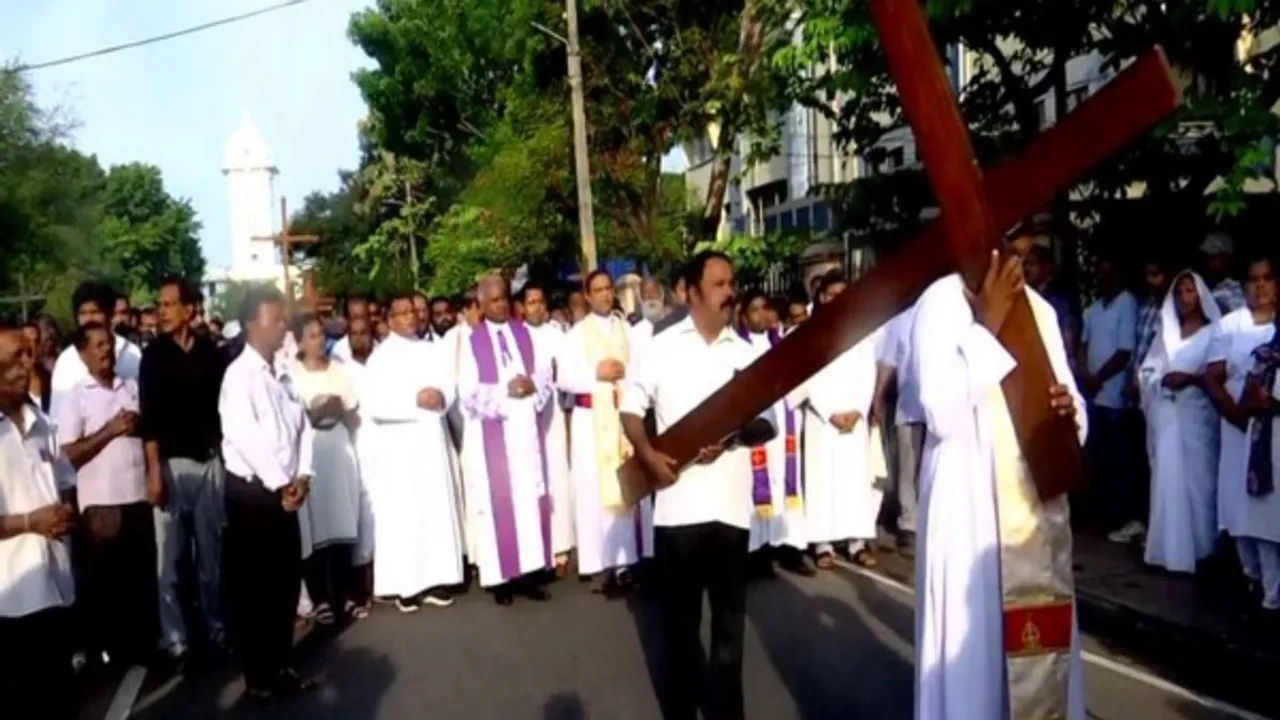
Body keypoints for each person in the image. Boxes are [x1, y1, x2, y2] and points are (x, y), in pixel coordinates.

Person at [911, 249, 1087, 720]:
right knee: (972, 660)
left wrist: (1070, 412)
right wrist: (985, 328)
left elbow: (1072, 402)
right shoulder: (941, 302)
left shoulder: (1040, 311)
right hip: (966, 510)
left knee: (1037, 652)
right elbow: (940, 413)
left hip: (1032, 509)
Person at [620, 251, 776, 720]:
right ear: (689, 291)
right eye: (719, 284)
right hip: (678, 509)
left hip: (729, 509)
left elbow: (765, 421)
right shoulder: (661, 348)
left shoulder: (747, 353)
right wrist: (648, 456)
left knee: (730, 629)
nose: (730, 292)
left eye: (731, 283)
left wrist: (730, 437)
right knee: (679, 629)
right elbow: (630, 409)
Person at [218, 286, 316, 703]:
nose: (283, 328)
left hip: (286, 490)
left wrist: (304, 474)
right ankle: (258, 674)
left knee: (285, 583)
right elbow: (246, 436)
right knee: (258, 588)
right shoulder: (238, 376)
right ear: (252, 324)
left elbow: (304, 425)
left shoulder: (283, 375)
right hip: (255, 494)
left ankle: (280, 663)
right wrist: (281, 482)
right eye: (276, 320)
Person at [54, 322, 157, 668]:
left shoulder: (130, 387)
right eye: (97, 346)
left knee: (139, 579)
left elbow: (148, 436)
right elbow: (67, 453)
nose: (105, 352)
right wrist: (109, 431)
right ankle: (109, 654)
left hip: (137, 496)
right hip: (100, 503)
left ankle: (142, 648)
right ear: (82, 353)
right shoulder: (75, 397)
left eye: (109, 345)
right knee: (106, 583)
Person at [140, 277, 228, 660]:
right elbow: (150, 419)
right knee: (169, 560)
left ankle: (215, 625)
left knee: (210, 556)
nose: (162, 312)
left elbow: (224, 410)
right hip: (170, 466)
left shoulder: (211, 353)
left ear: (190, 309)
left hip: (208, 462)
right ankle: (175, 635)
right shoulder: (154, 355)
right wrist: (154, 472)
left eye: (169, 305)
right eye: (159, 305)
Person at [362, 293, 463, 612]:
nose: (410, 318)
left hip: (431, 442)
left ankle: (436, 578)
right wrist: (414, 401)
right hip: (400, 447)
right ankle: (406, 585)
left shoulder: (431, 350)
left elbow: (450, 385)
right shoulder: (381, 357)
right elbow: (376, 404)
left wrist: (441, 395)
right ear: (389, 319)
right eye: (402, 313)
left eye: (412, 312)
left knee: (433, 510)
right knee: (405, 515)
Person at [458, 275, 555, 606]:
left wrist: (532, 385)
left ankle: (529, 573)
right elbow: (468, 393)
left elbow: (545, 373)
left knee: (528, 503)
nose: (501, 305)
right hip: (495, 437)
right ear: (482, 305)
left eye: (504, 299)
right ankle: (502, 580)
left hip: (525, 433)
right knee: (500, 504)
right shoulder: (473, 342)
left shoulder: (524, 333)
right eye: (494, 300)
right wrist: (505, 391)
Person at [0, 321, 79, 720]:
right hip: (12, 599)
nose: (28, 363)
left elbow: (65, 481)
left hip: (57, 583)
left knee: (60, 698)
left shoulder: (42, 423)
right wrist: (32, 521)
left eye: (30, 353)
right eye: (17, 356)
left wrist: (66, 510)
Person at [559, 270, 652, 593]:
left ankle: (626, 562)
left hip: (622, 416)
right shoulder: (574, 335)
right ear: (586, 295)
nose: (604, 295)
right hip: (590, 421)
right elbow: (565, 379)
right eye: (597, 290)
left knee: (626, 485)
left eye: (608, 289)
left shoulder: (628, 331)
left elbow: (640, 372)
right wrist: (595, 374)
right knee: (594, 492)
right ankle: (600, 561)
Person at [792, 275, 883, 570]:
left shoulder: (860, 330)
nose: (836, 299)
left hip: (853, 419)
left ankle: (856, 542)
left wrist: (857, 409)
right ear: (821, 298)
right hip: (823, 420)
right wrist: (830, 410)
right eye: (831, 295)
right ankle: (823, 543)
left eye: (842, 294)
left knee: (853, 481)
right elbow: (807, 379)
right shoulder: (812, 333)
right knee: (822, 481)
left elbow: (867, 372)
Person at [1205, 256, 1280, 611]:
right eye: (1253, 279)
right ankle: (1251, 576)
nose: (1260, 286)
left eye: (1267, 279)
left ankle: (1270, 588)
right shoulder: (1231, 324)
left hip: (1272, 430)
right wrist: (1236, 413)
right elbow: (1213, 376)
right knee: (1239, 505)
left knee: (1268, 506)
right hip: (1238, 426)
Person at [1137, 271, 1221, 573]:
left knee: (1199, 483)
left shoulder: (1215, 332)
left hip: (1197, 416)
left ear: (1200, 295)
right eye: (1180, 292)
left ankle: (1202, 550)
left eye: (1190, 291)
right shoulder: (1167, 331)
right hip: (1167, 414)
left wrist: (1191, 379)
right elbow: (1147, 369)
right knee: (1166, 481)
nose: (1185, 298)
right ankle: (1167, 551)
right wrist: (1161, 380)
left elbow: (1219, 373)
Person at [291, 314, 364, 623]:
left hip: (338, 449)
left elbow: (354, 413)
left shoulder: (340, 372)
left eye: (321, 335)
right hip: (310, 453)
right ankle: (319, 596)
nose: (318, 341)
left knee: (341, 523)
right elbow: (292, 420)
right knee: (315, 527)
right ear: (299, 341)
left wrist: (342, 411)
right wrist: (316, 411)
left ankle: (344, 594)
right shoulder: (291, 375)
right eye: (311, 336)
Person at [735, 290, 812, 577]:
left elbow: (801, 379)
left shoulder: (781, 344)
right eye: (754, 310)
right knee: (759, 487)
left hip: (785, 421)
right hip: (758, 428)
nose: (761, 315)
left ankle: (790, 547)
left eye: (765, 308)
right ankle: (759, 553)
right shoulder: (738, 348)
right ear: (743, 315)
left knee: (787, 484)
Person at [1079, 256, 1143, 543]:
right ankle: (1100, 516)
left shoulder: (1126, 303)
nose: (1104, 278)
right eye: (1100, 273)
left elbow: (1125, 351)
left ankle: (1122, 517)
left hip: (1114, 395)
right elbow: (1083, 343)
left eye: (1109, 273)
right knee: (1097, 459)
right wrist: (1083, 374)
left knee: (1119, 460)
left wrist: (1098, 378)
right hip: (1093, 395)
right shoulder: (1092, 309)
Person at [522, 283, 576, 577]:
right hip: (525, 417)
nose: (537, 307)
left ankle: (561, 547)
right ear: (522, 307)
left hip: (553, 414)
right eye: (531, 302)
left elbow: (566, 375)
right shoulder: (517, 336)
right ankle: (536, 549)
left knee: (557, 475)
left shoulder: (558, 335)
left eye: (540, 301)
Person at [51, 282, 142, 419]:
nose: (89, 319)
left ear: (110, 314)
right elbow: (59, 420)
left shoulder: (132, 354)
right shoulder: (67, 360)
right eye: (83, 313)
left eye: (95, 312)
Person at [1201, 232, 1246, 314]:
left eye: (1212, 258)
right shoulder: (1199, 285)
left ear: (1225, 258)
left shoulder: (1242, 288)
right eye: (1206, 258)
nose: (1208, 264)